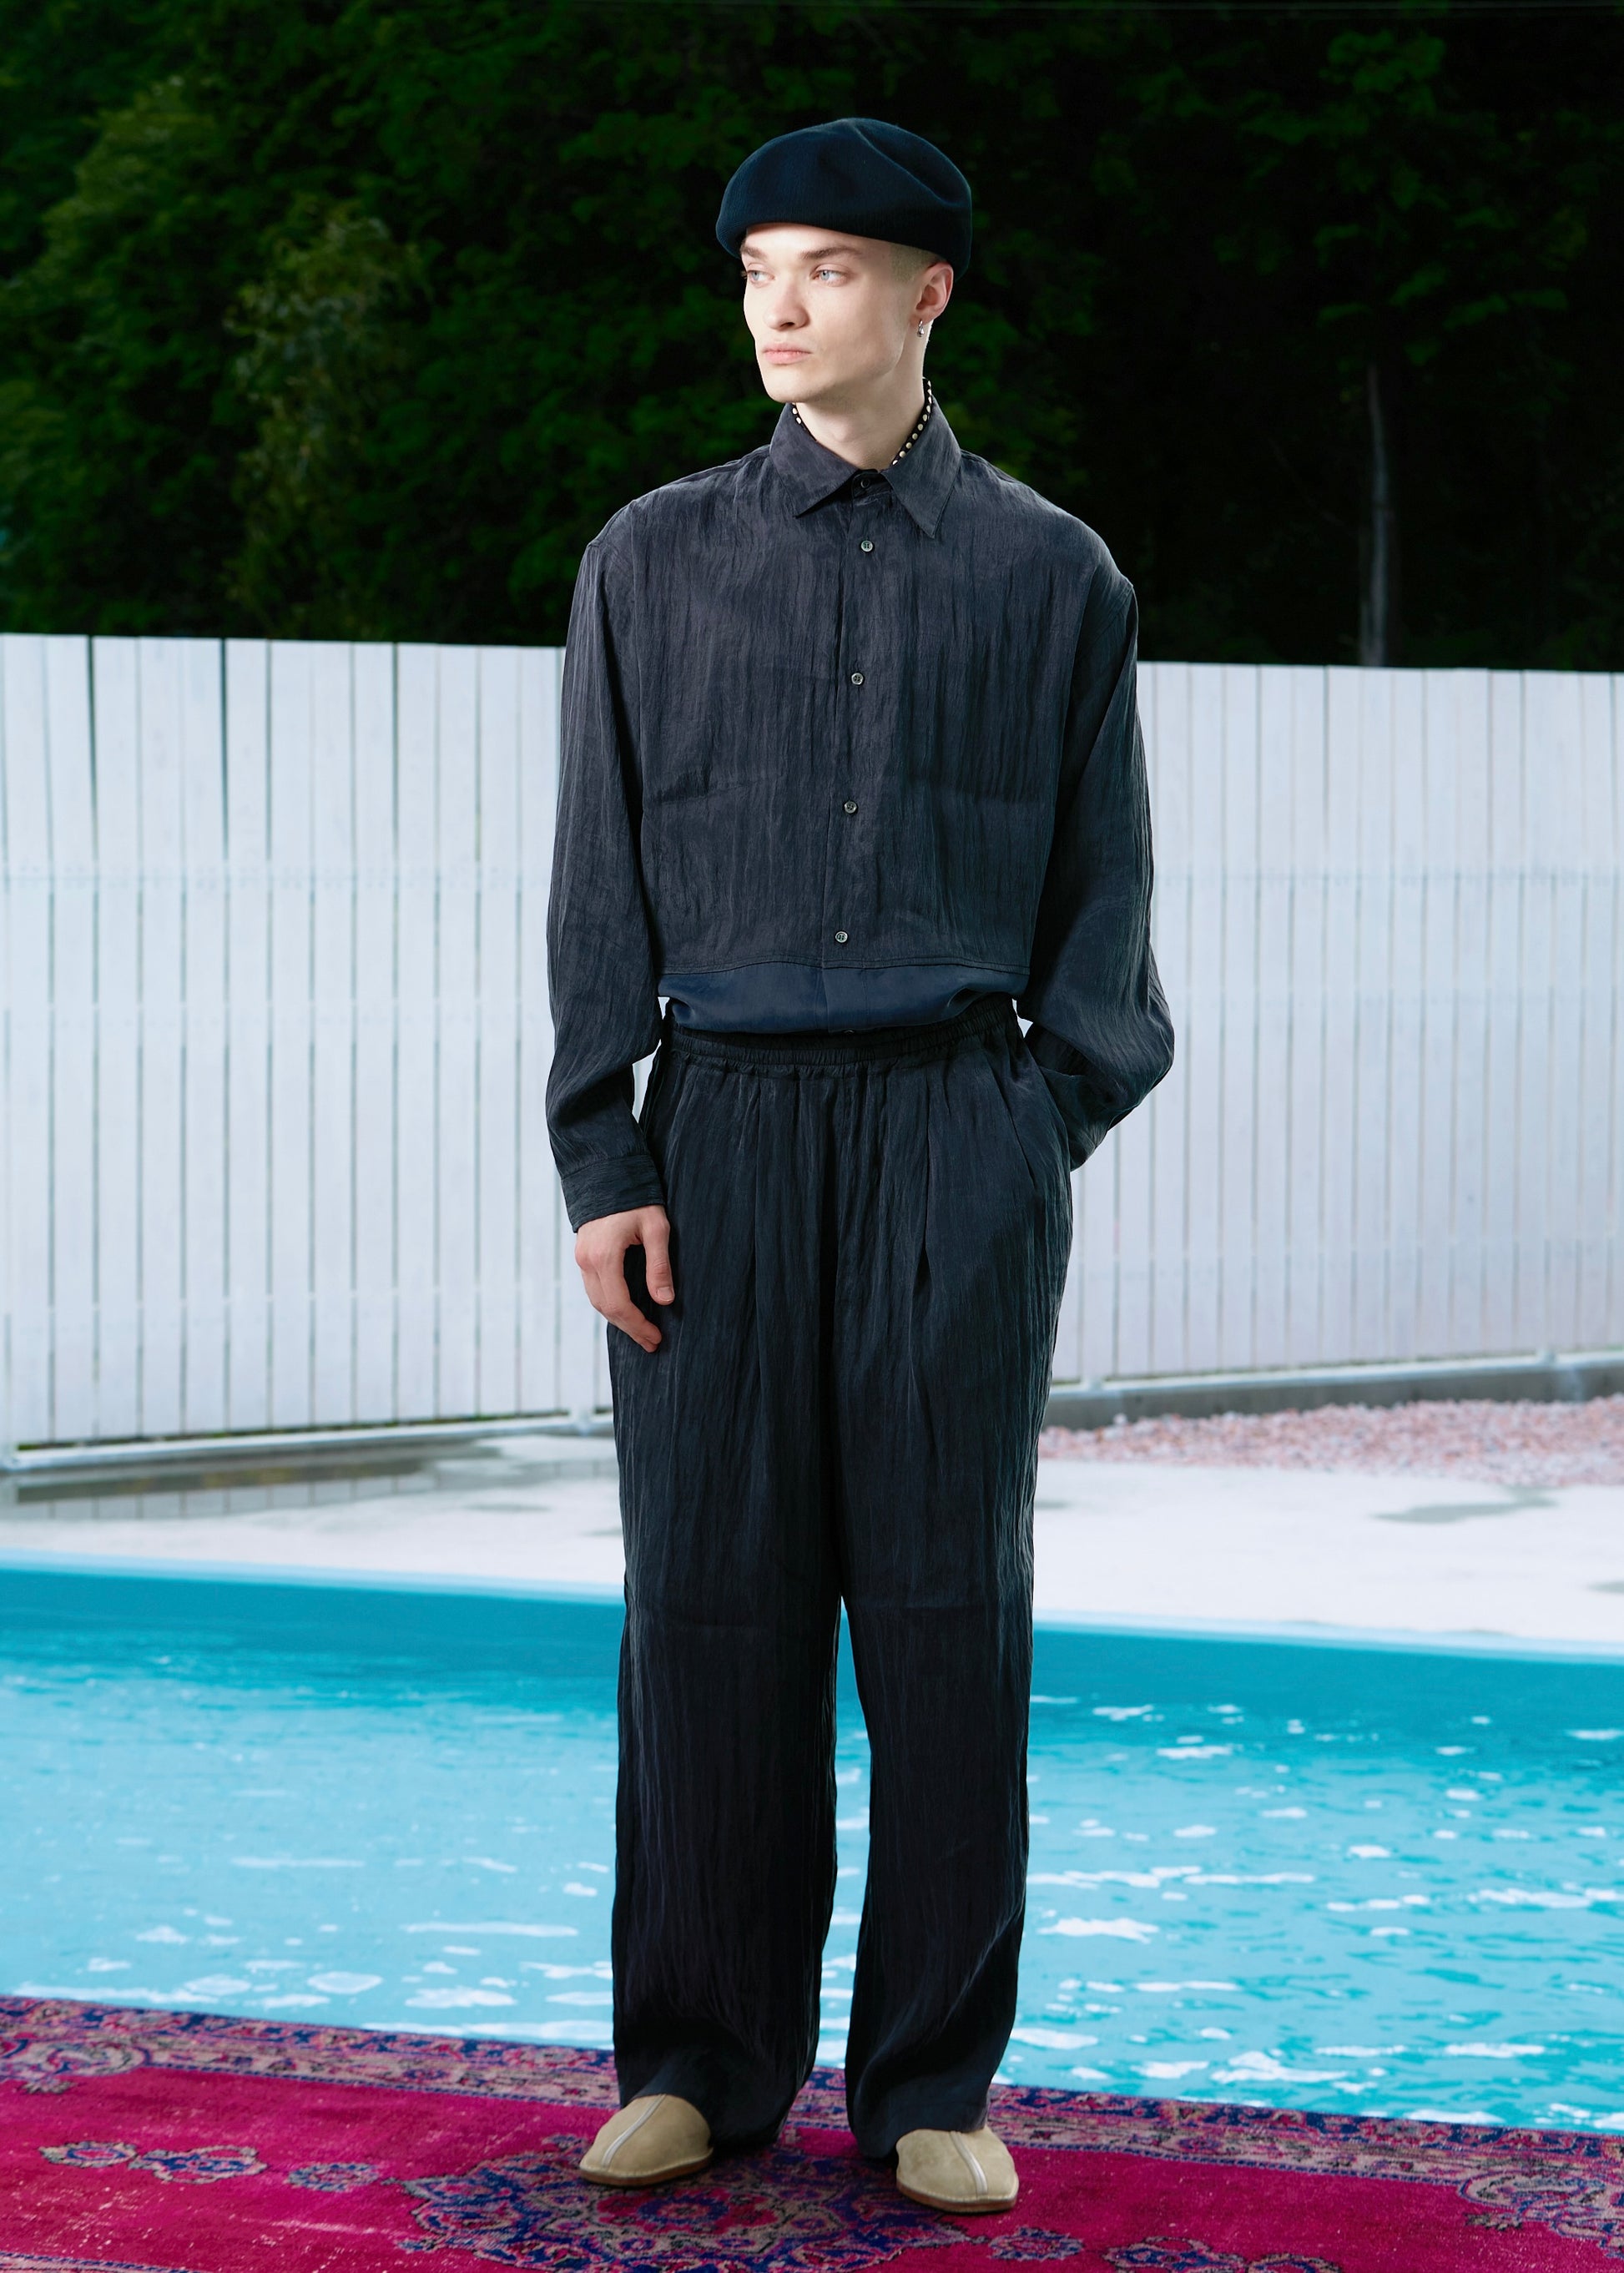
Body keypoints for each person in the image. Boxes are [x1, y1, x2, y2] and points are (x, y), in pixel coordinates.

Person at [545, 116, 1174, 2215]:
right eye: (755, 271)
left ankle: (930, 2084)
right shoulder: (646, 563)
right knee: (703, 1617)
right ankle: (697, 2063)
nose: (779, 306)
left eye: (822, 268)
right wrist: (602, 1152)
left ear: (927, 294)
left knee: (942, 1624)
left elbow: (1106, 923)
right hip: (711, 1141)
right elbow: (593, 892)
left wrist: (1022, 1133)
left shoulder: (1056, 579)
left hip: (951, 1133)